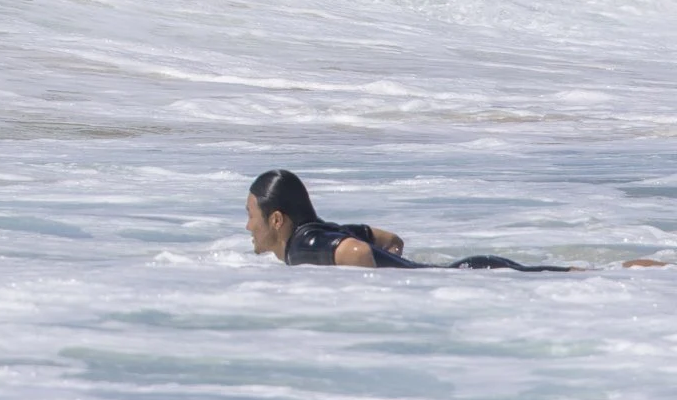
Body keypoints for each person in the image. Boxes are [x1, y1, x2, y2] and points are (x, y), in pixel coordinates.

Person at [244, 169, 667, 271]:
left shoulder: (303, 245)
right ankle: (653, 271)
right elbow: (389, 238)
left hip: (465, 277)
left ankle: (651, 271)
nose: (248, 227)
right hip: (465, 272)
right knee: (577, 275)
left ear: (277, 218)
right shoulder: (322, 229)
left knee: (582, 276)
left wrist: (387, 288)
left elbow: (356, 251)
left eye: (251, 216)